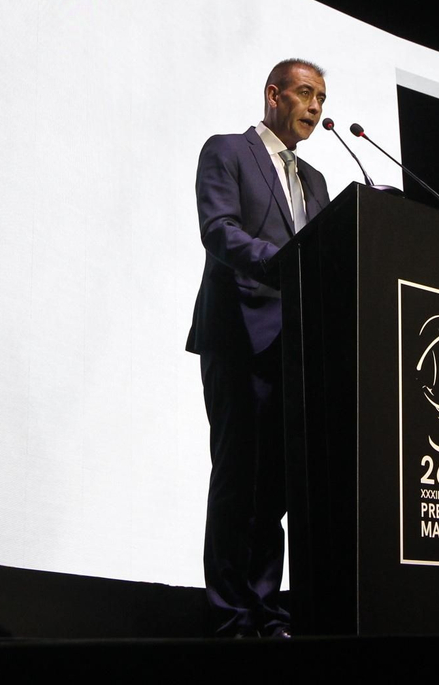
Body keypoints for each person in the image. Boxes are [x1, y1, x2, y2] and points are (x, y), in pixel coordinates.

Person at [187, 59, 332, 638]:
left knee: (275, 491)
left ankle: (269, 613)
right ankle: (230, 618)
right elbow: (219, 230)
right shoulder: (226, 151)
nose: (315, 106)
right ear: (274, 95)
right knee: (236, 480)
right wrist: (284, 265)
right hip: (239, 337)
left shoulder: (317, 181)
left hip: (294, 351)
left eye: (321, 97)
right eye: (304, 93)